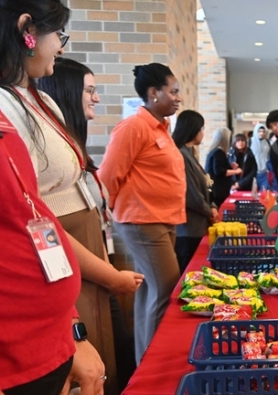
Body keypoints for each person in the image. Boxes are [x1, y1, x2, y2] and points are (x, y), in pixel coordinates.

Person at [0, 0, 142, 395]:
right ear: (26, 30)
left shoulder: (39, 99)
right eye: (58, 35)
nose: (61, 46)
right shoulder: (0, 103)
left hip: (69, 253)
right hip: (54, 258)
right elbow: (29, 214)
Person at [38, 57, 138, 395]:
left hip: (98, 269)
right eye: (89, 90)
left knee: (117, 359)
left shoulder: (75, 148)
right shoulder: (47, 158)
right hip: (78, 279)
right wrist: (111, 275)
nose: (95, 98)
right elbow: (50, 232)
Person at [99, 62, 185, 365]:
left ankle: (145, 359)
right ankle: (155, 365)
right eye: (172, 92)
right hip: (143, 221)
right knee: (165, 289)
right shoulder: (134, 127)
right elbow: (108, 177)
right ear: (153, 92)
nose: (177, 98)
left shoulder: (160, 127)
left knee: (151, 289)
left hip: (162, 220)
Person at [172, 110, 218, 273]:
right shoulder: (181, 155)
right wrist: (209, 211)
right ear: (193, 130)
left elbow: (206, 184)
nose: (203, 133)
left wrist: (212, 205)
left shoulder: (190, 153)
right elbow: (190, 194)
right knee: (189, 273)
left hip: (197, 224)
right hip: (188, 229)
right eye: (202, 129)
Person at [206, 126, 242, 206]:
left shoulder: (214, 151)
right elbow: (220, 171)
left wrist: (231, 168)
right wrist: (236, 171)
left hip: (215, 189)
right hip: (218, 191)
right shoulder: (219, 152)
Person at [250, 123, 270, 191]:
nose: (261, 133)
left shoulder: (267, 142)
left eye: (263, 131)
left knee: (264, 193)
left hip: (265, 173)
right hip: (253, 173)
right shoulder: (250, 141)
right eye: (259, 131)